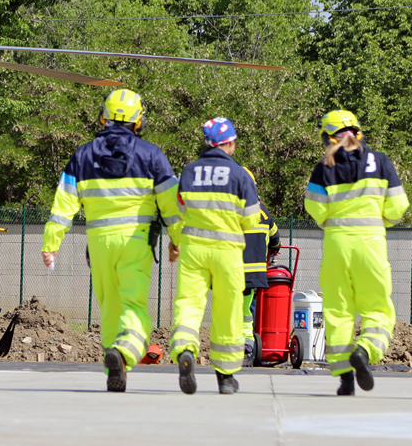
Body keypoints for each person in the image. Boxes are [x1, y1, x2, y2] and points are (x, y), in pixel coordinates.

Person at [41, 89, 181, 392]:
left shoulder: (83, 155)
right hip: (136, 241)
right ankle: (125, 352)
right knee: (134, 307)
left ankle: (113, 364)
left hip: (99, 243)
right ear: (138, 120)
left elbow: (64, 205)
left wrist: (51, 243)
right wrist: (177, 239)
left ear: (103, 116)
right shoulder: (152, 155)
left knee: (110, 307)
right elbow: (171, 204)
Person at [304, 110, 408, 395]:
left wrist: (332, 223)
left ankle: (345, 380)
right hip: (371, 244)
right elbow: (398, 206)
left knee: (338, 312)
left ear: (327, 136)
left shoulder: (324, 166)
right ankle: (366, 349)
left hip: (337, 245)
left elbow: (315, 207)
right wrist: (379, 220)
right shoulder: (381, 161)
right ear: (359, 132)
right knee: (377, 308)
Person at [168, 117, 260, 395]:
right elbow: (252, 220)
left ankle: (185, 349)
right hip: (227, 254)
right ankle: (226, 378)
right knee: (228, 312)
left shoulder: (189, 171)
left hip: (193, 252)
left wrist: (175, 243)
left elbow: (178, 213)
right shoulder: (240, 175)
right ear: (229, 143)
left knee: (188, 304)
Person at [241, 168, 281, 365]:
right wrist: (273, 250)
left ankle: (245, 348)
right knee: (250, 309)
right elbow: (276, 240)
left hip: (236, 271)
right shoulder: (264, 214)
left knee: (242, 312)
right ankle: (253, 346)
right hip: (257, 274)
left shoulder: (234, 213)